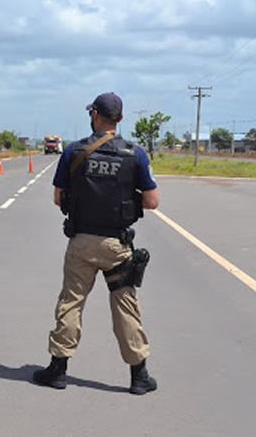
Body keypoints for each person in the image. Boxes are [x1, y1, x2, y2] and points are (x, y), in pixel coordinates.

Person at [32, 92, 161, 395]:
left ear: (94, 115)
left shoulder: (74, 151)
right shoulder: (136, 154)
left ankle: (58, 370)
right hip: (117, 244)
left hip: (82, 241)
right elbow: (153, 201)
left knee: (71, 302)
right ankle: (139, 375)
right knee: (126, 306)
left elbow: (57, 197)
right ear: (121, 119)